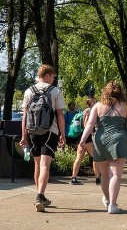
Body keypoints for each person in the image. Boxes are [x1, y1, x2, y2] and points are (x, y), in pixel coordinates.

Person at [80, 81, 127, 214]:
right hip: (119, 140)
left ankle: (107, 200)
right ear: (120, 92)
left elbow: (90, 125)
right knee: (116, 175)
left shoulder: (97, 106)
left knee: (104, 175)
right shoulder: (126, 105)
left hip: (100, 140)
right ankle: (112, 205)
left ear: (105, 91)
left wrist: (82, 140)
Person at [20, 64, 68, 212]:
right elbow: (60, 115)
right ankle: (40, 196)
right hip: (50, 131)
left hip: (33, 131)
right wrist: (62, 134)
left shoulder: (29, 91)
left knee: (37, 165)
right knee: (45, 165)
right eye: (53, 76)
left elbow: (25, 116)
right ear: (47, 75)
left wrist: (24, 136)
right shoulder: (54, 91)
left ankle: (40, 195)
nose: (54, 79)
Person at [70, 97, 103, 185]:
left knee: (79, 158)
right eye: (94, 101)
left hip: (81, 137)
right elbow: (86, 124)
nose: (96, 102)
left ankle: (74, 178)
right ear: (90, 103)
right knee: (95, 157)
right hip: (87, 137)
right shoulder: (89, 110)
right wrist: (92, 133)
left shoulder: (84, 111)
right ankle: (98, 178)